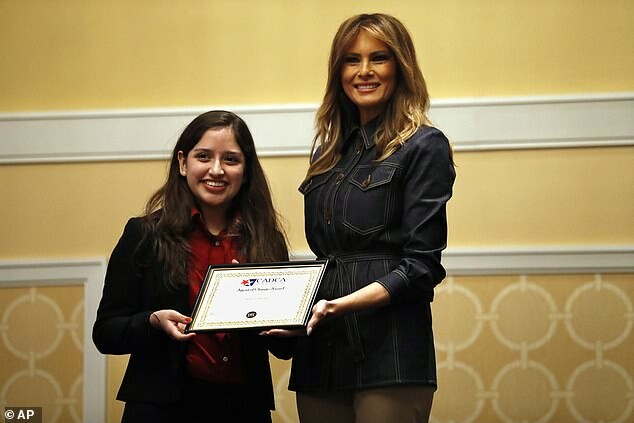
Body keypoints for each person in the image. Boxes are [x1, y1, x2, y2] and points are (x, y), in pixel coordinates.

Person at [272, 13, 455, 423]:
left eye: (379, 58)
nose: (364, 71)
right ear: (338, 71)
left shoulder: (424, 146)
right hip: (321, 353)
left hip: (390, 351)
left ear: (400, 67)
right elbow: (327, 257)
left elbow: (422, 268)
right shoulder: (327, 154)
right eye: (352, 60)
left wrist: (339, 305)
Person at [93, 110, 293, 423]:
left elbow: (284, 348)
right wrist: (153, 322)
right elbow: (106, 333)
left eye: (231, 159)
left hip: (243, 408)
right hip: (161, 409)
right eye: (204, 156)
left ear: (246, 171)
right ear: (183, 163)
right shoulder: (144, 234)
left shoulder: (267, 241)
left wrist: (285, 325)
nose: (217, 170)